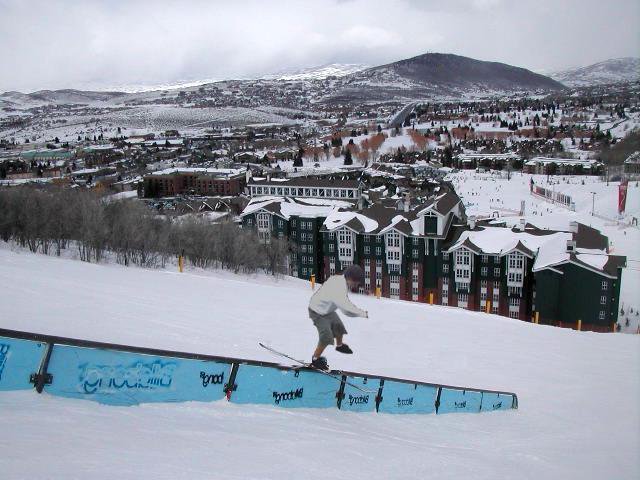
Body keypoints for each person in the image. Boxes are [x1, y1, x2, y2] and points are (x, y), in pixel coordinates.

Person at [307, 264, 368, 369]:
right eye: (356, 283)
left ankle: (339, 346)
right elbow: (346, 309)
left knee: (338, 326)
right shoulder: (338, 286)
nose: (356, 286)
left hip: (327, 310)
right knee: (326, 336)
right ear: (350, 278)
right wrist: (361, 313)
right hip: (317, 311)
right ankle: (315, 360)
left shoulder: (340, 281)